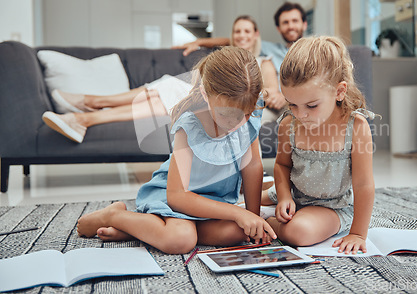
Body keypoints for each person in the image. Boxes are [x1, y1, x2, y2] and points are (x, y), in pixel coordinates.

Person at [76, 46, 277, 254]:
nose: (236, 123)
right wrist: (237, 213)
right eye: (226, 114)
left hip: (214, 205)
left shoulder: (249, 114)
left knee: (237, 233)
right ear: (206, 95)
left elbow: (252, 165)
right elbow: (177, 197)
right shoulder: (189, 126)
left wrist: (252, 218)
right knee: (181, 240)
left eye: (245, 114)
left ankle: (147, 229)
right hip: (176, 198)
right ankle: (114, 216)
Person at [42, 15, 285, 143]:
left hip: (235, 105)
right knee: (168, 88)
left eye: (246, 31)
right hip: (209, 97)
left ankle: (88, 111)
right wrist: (200, 41)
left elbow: (271, 93)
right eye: (237, 31)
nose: (241, 36)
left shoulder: (262, 61)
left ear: (255, 35)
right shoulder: (227, 56)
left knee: (169, 94)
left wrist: (273, 95)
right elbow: (221, 44)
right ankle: (89, 110)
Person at [263, 36, 376, 254]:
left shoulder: (356, 127)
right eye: (292, 104)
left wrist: (358, 233)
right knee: (235, 207)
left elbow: (363, 185)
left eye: (311, 105)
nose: (300, 114)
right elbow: (282, 166)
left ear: (339, 92)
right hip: (292, 195)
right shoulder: (289, 124)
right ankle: (260, 205)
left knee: (299, 232)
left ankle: (263, 221)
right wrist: (285, 196)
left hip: (331, 207)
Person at [174, 2, 308, 72]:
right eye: (285, 22)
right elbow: (233, 41)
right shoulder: (272, 49)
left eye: (295, 21)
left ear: (304, 24)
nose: (290, 26)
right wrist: (199, 42)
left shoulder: (314, 52)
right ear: (279, 28)